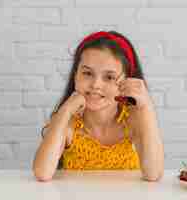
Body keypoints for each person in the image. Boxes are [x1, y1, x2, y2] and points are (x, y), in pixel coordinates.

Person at [32, 31, 164, 182]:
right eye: (87, 73)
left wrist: (146, 107)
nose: (95, 85)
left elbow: (153, 174)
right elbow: (42, 172)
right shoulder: (69, 122)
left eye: (109, 77)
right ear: (75, 75)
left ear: (127, 82)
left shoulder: (132, 120)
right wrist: (65, 110)